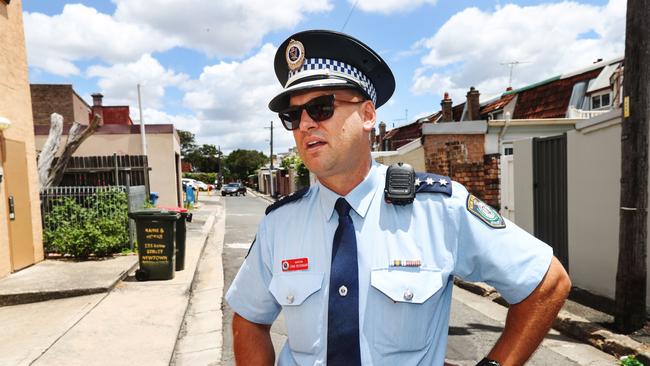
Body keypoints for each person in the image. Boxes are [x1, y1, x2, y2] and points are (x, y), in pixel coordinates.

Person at [225, 29, 571, 366]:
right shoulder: (280, 223)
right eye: (292, 115)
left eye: (320, 108)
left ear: (367, 115)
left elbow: (547, 281)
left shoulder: (438, 208)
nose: (304, 125)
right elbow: (249, 319)